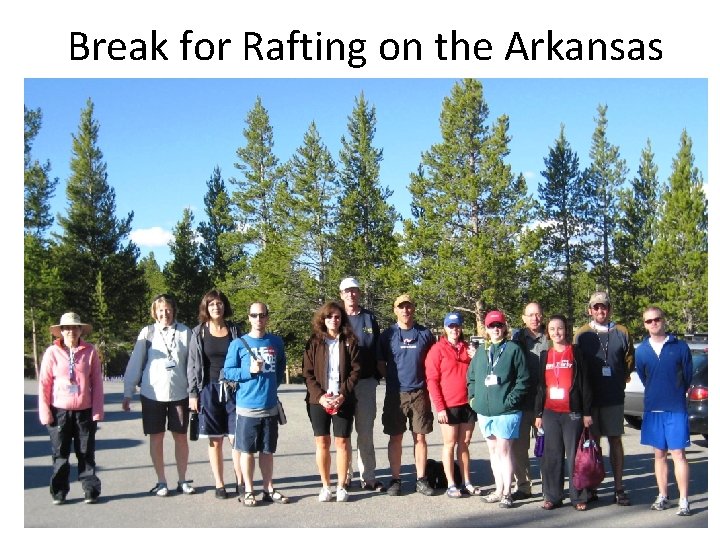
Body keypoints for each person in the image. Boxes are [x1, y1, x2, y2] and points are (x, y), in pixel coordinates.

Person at [123, 293, 195, 496]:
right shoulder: (147, 333)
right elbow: (136, 362)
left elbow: (192, 365)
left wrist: (194, 392)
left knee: (180, 437)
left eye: (168, 309)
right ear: (155, 312)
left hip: (179, 393)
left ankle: (182, 480)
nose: (165, 313)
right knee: (156, 437)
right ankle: (161, 481)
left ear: (174, 310)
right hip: (152, 393)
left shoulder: (185, 332)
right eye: (161, 310)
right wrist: (128, 392)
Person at [223, 302, 289, 506]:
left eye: (262, 315)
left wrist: (271, 387)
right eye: (254, 315)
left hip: (269, 405)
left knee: (267, 450)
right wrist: (248, 372)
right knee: (247, 451)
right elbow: (227, 372)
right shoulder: (238, 344)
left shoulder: (275, 342)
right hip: (247, 407)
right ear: (248, 318)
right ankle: (249, 490)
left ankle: (268, 488)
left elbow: (279, 368)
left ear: (267, 317)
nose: (258, 319)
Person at [574, 291, 635, 506]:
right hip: (590, 400)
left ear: (610, 309)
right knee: (593, 443)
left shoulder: (622, 332)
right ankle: (592, 487)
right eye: (596, 307)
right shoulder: (581, 334)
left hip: (614, 397)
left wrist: (620, 379)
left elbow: (629, 361)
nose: (601, 311)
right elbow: (577, 365)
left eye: (604, 307)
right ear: (590, 310)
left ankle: (619, 488)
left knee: (615, 440)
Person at [39, 312, 104, 505]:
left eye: (75, 328)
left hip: (84, 410)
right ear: (60, 331)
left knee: (86, 452)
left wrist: (97, 410)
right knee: (61, 453)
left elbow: (97, 383)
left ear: (80, 330)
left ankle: (90, 490)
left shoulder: (90, 351)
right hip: (59, 410)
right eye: (66, 328)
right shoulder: (52, 352)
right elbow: (44, 383)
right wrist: (45, 411)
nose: (71, 331)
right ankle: (59, 491)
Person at [467, 310, 530, 509]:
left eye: (499, 325)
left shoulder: (513, 349)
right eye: (491, 326)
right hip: (485, 411)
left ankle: (507, 493)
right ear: (485, 329)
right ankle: (498, 489)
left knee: (504, 451)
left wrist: (510, 401)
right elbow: (471, 378)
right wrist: (473, 399)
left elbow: (523, 379)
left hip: (507, 412)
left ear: (505, 327)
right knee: (493, 451)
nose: (496, 329)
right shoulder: (481, 351)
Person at [635, 306, 693, 516]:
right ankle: (663, 495)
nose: (653, 324)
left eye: (656, 319)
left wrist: (676, 393)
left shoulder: (680, 347)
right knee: (659, 454)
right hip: (653, 409)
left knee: (678, 453)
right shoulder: (641, 350)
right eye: (648, 321)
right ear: (644, 324)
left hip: (676, 408)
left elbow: (687, 375)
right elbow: (644, 376)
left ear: (663, 320)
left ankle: (684, 500)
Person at [303, 301, 362, 502]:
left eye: (337, 317)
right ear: (323, 319)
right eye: (329, 317)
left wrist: (342, 394)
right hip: (318, 400)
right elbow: (307, 373)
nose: (333, 320)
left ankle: (341, 486)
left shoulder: (350, 341)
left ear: (342, 319)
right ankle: (326, 486)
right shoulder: (314, 342)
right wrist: (320, 397)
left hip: (343, 398)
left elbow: (356, 371)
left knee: (342, 442)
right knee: (322, 442)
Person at [187, 289, 243, 499]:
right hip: (208, 389)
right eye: (211, 305)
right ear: (206, 308)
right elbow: (192, 365)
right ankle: (219, 484)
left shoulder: (235, 330)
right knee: (215, 439)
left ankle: (241, 480)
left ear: (224, 306)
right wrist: (193, 393)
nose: (216, 307)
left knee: (236, 437)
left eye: (219, 304)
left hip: (233, 388)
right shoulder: (198, 332)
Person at [378, 294, 436, 496]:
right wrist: (393, 381)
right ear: (395, 310)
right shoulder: (388, 335)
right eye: (401, 307)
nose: (405, 310)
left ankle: (421, 479)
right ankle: (395, 479)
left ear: (413, 308)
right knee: (396, 437)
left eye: (408, 307)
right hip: (396, 393)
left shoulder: (425, 334)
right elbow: (380, 363)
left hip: (420, 392)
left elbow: (432, 362)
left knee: (420, 437)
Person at [534, 314, 593, 511]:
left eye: (559, 328)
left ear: (566, 330)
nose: (556, 332)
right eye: (552, 329)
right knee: (552, 456)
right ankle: (553, 496)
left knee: (576, 456)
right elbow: (541, 388)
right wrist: (538, 414)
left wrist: (586, 412)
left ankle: (578, 497)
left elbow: (585, 384)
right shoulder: (545, 355)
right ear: (548, 333)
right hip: (550, 412)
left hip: (572, 413)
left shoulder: (575, 353)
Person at [425, 312, 478, 498]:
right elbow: (432, 380)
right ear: (445, 328)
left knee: (464, 443)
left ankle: (467, 481)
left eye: (457, 326)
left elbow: (478, 372)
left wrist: (476, 357)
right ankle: (451, 484)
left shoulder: (468, 349)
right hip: (449, 405)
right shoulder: (437, 350)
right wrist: (440, 407)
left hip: (468, 403)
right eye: (451, 326)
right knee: (450, 444)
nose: (454, 330)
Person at [338, 277, 385, 492]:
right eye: (347, 291)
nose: (351, 294)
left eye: (354, 290)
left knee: (365, 431)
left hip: (366, 382)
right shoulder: (336, 317)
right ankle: (345, 476)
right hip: (342, 384)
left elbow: (377, 349)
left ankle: (368, 477)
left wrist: (377, 376)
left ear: (359, 293)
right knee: (344, 433)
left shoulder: (369, 318)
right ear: (341, 295)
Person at [510, 301, 549, 500]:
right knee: (519, 447)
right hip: (524, 402)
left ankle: (549, 485)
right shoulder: (517, 339)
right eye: (530, 315)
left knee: (547, 446)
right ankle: (524, 486)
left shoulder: (550, 336)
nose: (534, 318)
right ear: (523, 318)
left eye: (538, 314)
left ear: (542, 316)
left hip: (547, 402)